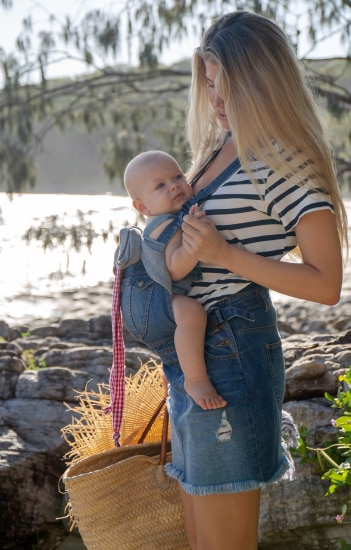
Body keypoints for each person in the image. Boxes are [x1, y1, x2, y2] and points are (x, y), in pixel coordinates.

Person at [155, 10, 347, 550]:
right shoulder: (219, 147)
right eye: (210, 85)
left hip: (234, 356)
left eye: (226, 85)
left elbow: (326, 284)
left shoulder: (287, 159)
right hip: (194, 363)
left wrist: (224, 253)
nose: (214, 99)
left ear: (261, 79)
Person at [123, 150, 227, 410]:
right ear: (142, 207)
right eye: (160, 185)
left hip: (154, 302)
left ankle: (174, 369)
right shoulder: (162, 226)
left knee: (185, 320)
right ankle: (196, 379)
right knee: (192, 314)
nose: (174, 186)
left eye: (178, 176)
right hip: (151, 303)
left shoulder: (173, 218)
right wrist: (195, 246)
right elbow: (174, 270)